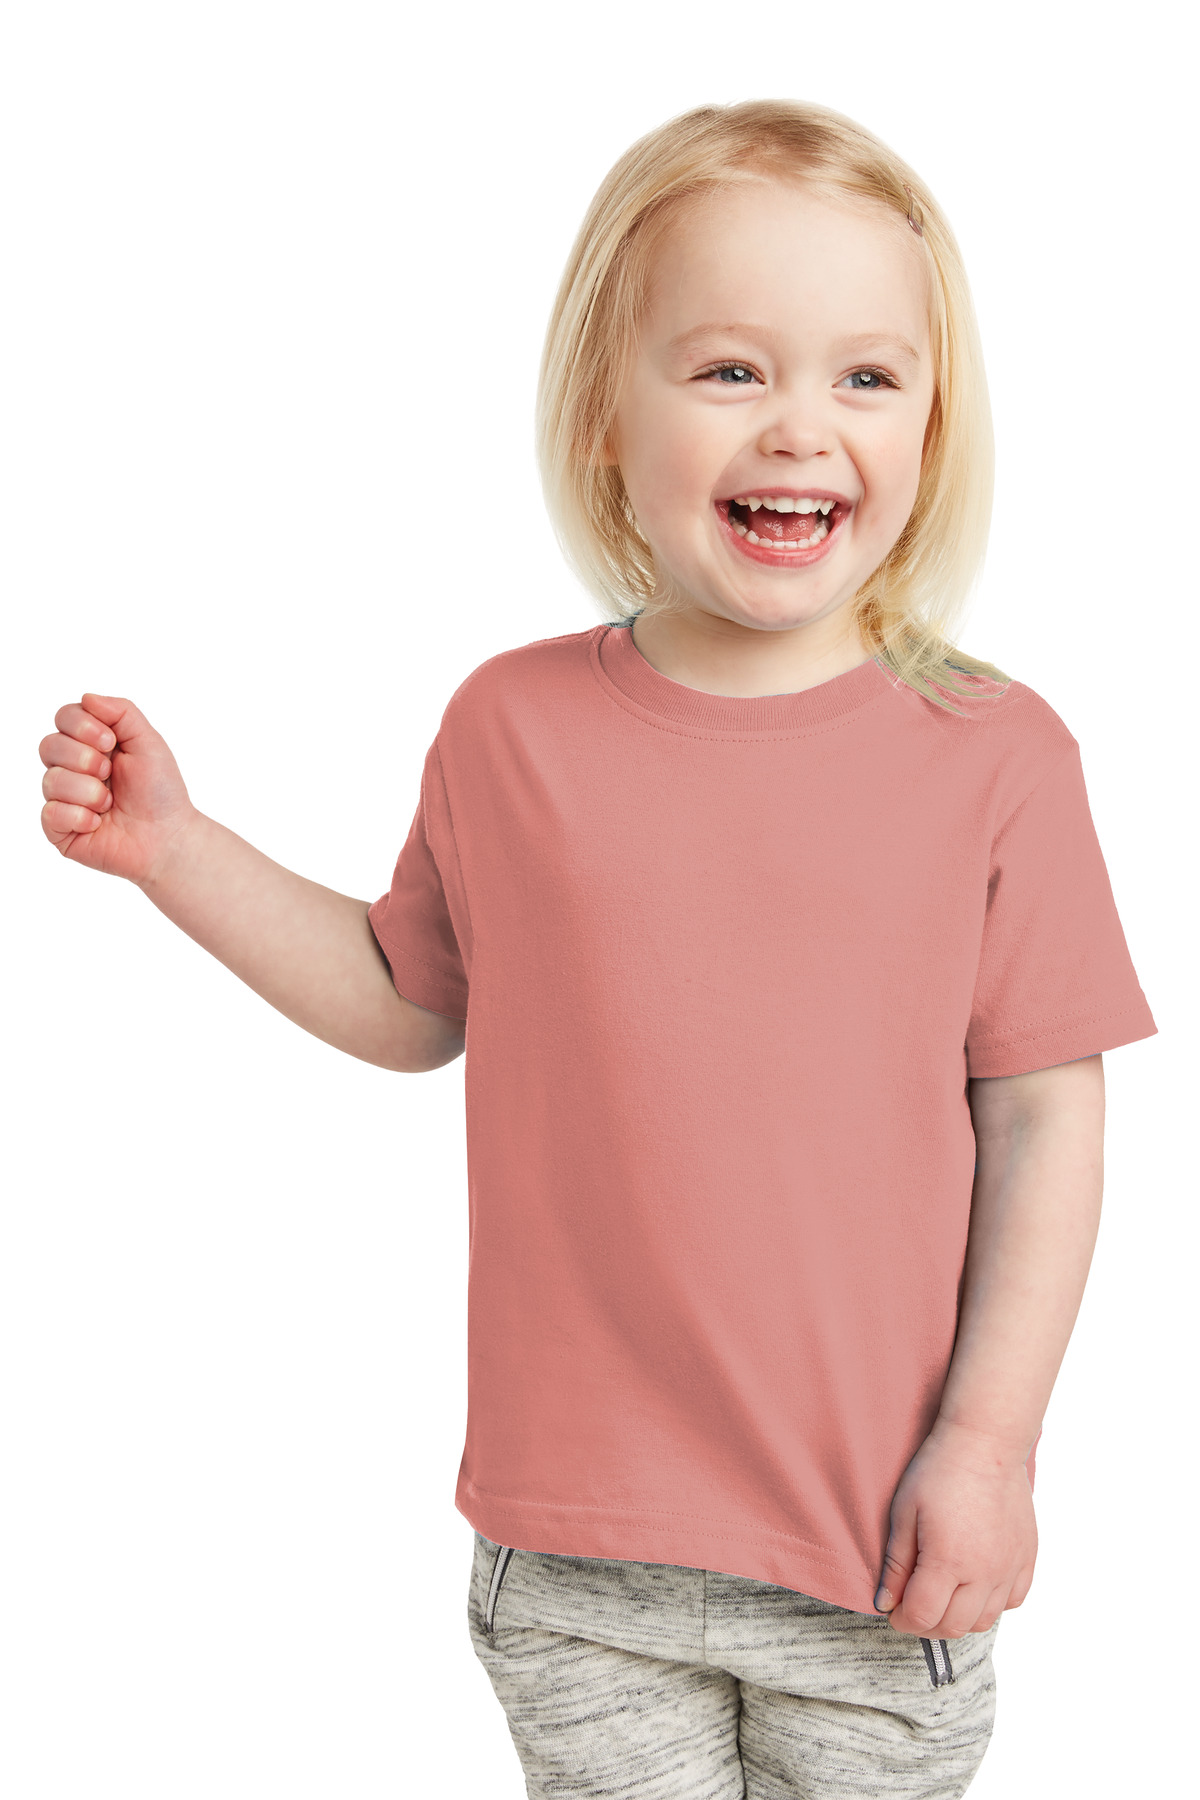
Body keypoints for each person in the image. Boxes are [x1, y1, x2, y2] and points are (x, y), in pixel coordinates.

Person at [39, 100, 1156, 1800]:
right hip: (578, 1557)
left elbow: (1048, 1123)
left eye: (868, 376)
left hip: (879, 1552)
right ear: (603, 414)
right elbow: (408, 1000)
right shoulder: (511, 728)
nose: (801, 425)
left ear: (935, 423)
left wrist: (992, 1450)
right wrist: (174, 852)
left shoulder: (997, 757)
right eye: (730, 370)